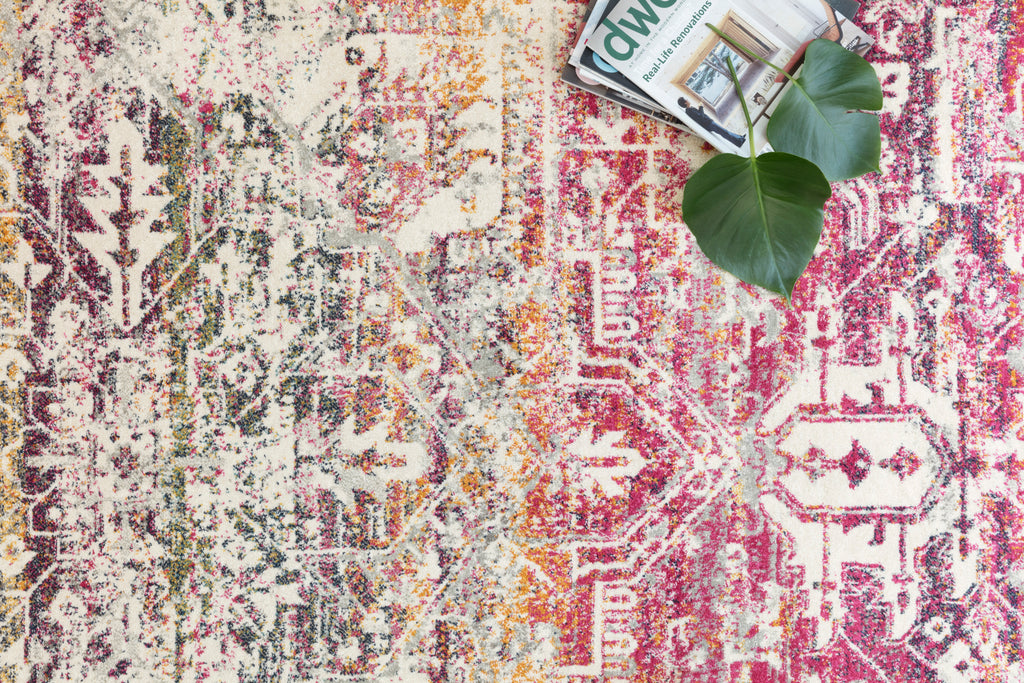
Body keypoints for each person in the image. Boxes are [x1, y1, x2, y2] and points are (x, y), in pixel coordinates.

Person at [677, 98, 746, 148]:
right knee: (724, 132)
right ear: (685, 102)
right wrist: (701, 107)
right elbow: (701, 116)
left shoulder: (689, 110)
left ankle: (740, 138)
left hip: (708, 123)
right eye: (686, 99)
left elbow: (699, 116)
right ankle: (739, 142)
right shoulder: (689, 111)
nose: (688, 100)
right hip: (708, 124)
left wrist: (700, 108)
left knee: (724, 131)